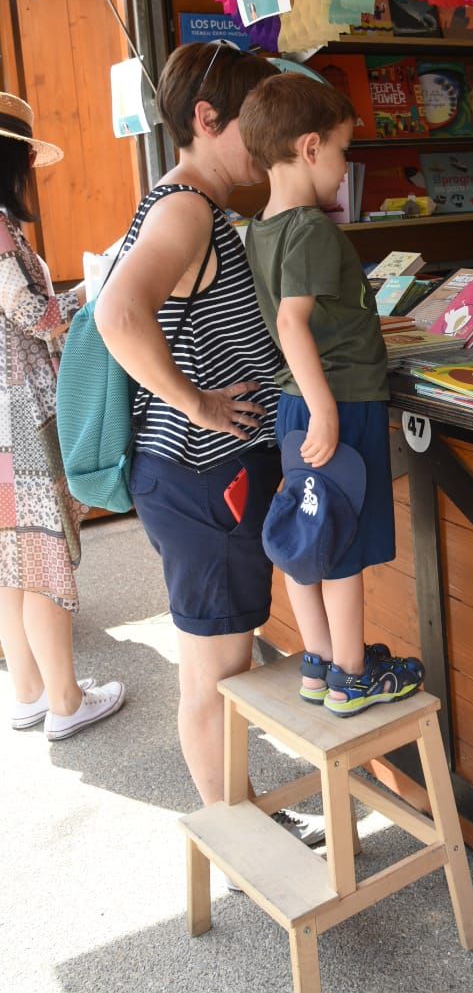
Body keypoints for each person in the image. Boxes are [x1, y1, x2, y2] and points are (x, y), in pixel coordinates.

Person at [94, 43, 317, 840]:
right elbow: (118, 314)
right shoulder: (187, 208)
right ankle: (241, 833)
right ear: (205, 117)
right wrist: (193, 402)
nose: (263, 140)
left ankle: (244, 814)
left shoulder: (184, 201)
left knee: (220, 659)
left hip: (200, 477)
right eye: (251, 119)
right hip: (206, 473)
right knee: (214, 673)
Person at [239, 71, 423, 713]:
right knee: (343, 542)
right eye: (344, 151)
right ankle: (353, 675)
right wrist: (326, 411)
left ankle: (318, 664)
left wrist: (310, 406)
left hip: (301, 402)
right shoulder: (312, 229)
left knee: (308, 530)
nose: (345, 168)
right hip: (338, 403)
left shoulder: (258, 227)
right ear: (311, 147)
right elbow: (292, 320)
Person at [0, 94, 125, 738]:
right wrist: (94, 290)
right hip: (21, 418)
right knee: (45, 553)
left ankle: (26, 692)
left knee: (10, 558)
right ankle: (67, 703)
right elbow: (35, 319)